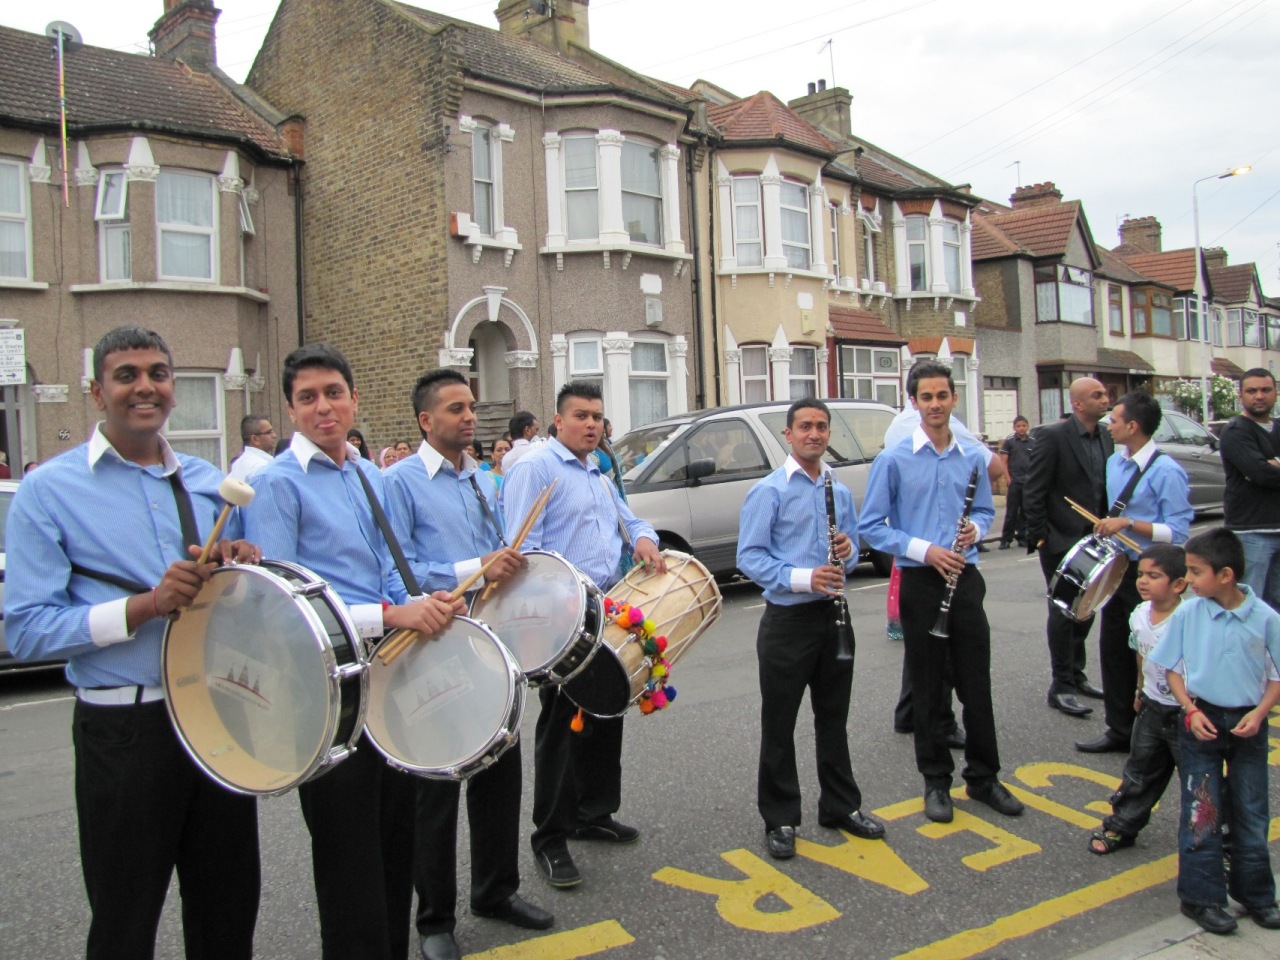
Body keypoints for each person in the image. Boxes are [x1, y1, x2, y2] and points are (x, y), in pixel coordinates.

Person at [3, 326, 263, 960]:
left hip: (216, 717)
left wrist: (240, 564)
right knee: (125, 917)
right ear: (97, 392)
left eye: (158, 374)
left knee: (229, 911)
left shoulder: (207, 480)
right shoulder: (49, 490)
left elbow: (239, 605)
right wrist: (145, 606)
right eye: (126, 376)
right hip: (124, 729)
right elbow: (26, 628)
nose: (145, 387)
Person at [244, 344, 461, 960]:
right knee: (347, 859)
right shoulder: (276, 484)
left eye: (334, 393)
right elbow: (283, 604)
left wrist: (422, 601)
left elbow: (388, 569)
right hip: (324, 691)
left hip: (385, 676)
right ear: (290, 410)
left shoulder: (368, 475)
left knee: (396, 838)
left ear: (354, 399)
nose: (324, 407)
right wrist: (390, 614)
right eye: (308, 397)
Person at [384, 370, 551, 960]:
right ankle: (434, 920)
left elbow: (494, 553)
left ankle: (496, 891)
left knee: (499, 771)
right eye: (456, 408)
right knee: (435, 787)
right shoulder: (399, 482)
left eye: (471, 406)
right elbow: (396, 569)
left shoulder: (482, 477)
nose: (469, 416)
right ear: (426, 420)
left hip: (487, 640)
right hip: (432, 645)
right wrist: (475, 567)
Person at [502, 382, 663, 889]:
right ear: (558, 420)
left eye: (596, 416)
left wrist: (644, 538)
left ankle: (593, 813)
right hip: (561, 619)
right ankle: (550, 837)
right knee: (560, 728)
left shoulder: (597, 471)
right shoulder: (536, 469)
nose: (591, 424)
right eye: (580, 416)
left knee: (606, 711)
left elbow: (630, 520)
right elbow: (521, 553)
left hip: (607, 611)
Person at [858, 361, 1024, 825]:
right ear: (914, 403)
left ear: (954, 399)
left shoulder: (970, 457)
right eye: (926, 397)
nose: (935, 404)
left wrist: (976, 529)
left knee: (977, 685)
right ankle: (936, 781)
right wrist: (925, 550)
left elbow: (986, 511)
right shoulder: (893, 460)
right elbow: (872, 527)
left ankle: (984, 777)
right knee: (929, 689)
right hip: (921, 579)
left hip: (965, 579)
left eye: (942, 396)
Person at [737, 398, 885, 860]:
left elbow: (853, 551)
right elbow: (749, 557)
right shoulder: (769, 491)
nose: (814, 434)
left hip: (832, 615)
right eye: (805, 426)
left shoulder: (837, 488)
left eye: (821, 426)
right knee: (779, 724)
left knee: (834, 718)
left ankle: (840, 805)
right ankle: (780, 817)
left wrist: (848, 551)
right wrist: (805, 577)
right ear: (789, 434)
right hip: (788, 620)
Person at [1150, 528, 1280, 936]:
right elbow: (1171, 669)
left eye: (1195, 571)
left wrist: (1260, 713)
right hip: (1201, 720)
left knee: (1252, 809)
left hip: (1248, 724)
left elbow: (1276, 677)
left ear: (1225, 575)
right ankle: (1200, 897)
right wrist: (1190, 710)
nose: (1188, 580)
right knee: (1201, 811)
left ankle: (1257, 894)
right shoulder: (1188, 613)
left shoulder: (1266, 618)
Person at [1076, 392, 1193, 754]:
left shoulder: (1166, 471)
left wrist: (1129, 523)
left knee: (1154, 650)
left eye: (1114, 420)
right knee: (1114, 648)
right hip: (1119, 568)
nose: (1108, 425)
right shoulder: (1115, 462)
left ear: (1133, 426)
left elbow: (1178, 531)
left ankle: (1161, 727)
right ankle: (1120, 728)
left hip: (1152, 572)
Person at [1022, 378, 1115, 719]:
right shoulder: (1053, 436)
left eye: (1104, 394)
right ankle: (1061, 685)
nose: (1105, 399)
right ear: (1077, 404)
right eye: (1097, 395)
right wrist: (1041, 537)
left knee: (1087, 609)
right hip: (1061, 539)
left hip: (1096, 539)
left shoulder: (1106, 436)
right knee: (1063, 611)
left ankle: (1077, 673)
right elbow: (1034, 488)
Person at [1088, 544, 1187, 855]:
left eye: (1154, 576)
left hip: (1187, 711)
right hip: (1152, 706)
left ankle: (1215, 840)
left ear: (1178, 584)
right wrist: (1139, 689)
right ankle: (1122, 825)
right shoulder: (1140, 614)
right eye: (1141, 574)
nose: (1143, 581)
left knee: (1199, 780)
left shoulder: (1189, 619)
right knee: (1140, 771)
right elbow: (1141, 654)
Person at [1217, 368, 1280, 611]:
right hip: (1251, 532)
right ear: (1241, 396)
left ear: (1275, 393)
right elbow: (1260, 473)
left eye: (1265, 390)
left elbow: (1261, 472)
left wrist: (1271, 464)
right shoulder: (1236, 431)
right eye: (1252, 391)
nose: (1259, 396)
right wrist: (1263, 468)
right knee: (1250, 604)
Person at [999, 415, 1031, 549]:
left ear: (1027, 426)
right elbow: (1003, 462)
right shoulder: (1010, 441)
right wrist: (1008, 478)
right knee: (1012, 511)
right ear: (1014, 428)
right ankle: (1006, 539)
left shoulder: (1033, 441)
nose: (1021, 428)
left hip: (1028, 482)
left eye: (1024, 426)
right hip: (1015, 481)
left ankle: (1022, 537)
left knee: (1025, 511)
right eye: (1018, 426)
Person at [228, 413, 277, 482]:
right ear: (255, 439)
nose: (274, 435)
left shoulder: (238, 464)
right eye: (269, 432)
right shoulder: (262, 467)